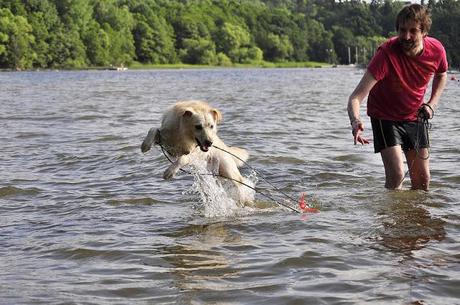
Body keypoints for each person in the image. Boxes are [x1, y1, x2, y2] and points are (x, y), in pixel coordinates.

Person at [347, 4, 448, 191]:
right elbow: (355, 97)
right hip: (385, 116)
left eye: (413, 31)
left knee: (423, 180)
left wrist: (432, 104)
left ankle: (414, 219)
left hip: (414, 115)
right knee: (397, 176)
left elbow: (442, 74)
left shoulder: (437, 50)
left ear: (424, 32)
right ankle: (390, 219)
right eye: (402, 30)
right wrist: (355, 121)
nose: (406, 36)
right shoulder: (386, 54)